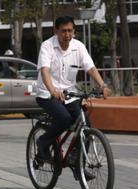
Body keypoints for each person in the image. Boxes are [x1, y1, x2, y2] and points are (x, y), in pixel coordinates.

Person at [35, 16, 110, 161]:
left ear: (74, 31)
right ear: (55, 31)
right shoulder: (47, 46)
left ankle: (77, 160)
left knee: (85, 124)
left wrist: (102, 85)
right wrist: (53, 91)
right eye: (63, 31)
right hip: (47, 94)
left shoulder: (78, 46)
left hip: (70, 94)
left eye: (70, 31)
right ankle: (43, 143)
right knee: (64, 119)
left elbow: (91, 68)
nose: (67, 35)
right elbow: (44, 71)